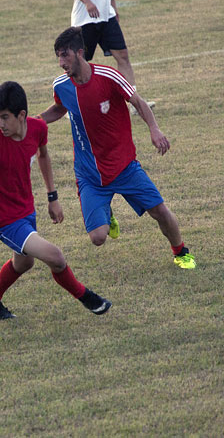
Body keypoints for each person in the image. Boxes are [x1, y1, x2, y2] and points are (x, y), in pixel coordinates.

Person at [37, 27, 195, 269]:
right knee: (98, 238)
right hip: (89, 174)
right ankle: (106, 213)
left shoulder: (109, 76)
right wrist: (33, 122)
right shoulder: (61, 86)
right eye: (58, 56)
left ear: (80, 53)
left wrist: (154, 129)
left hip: (124, 167)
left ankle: (181, 252)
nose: (60, 62)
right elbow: (60, 108)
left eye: (65, 55)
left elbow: (138, 102)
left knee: (160, 211)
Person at [0, 81, 111, 320]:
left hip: (26, 211)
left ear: (22, 115)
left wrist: (52, 197)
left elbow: (43, 155)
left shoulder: (37, 128)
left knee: (24, 264)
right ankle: (88, 299)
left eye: (5, 117)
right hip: (4, 220)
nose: (1, 124)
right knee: (55, 257)